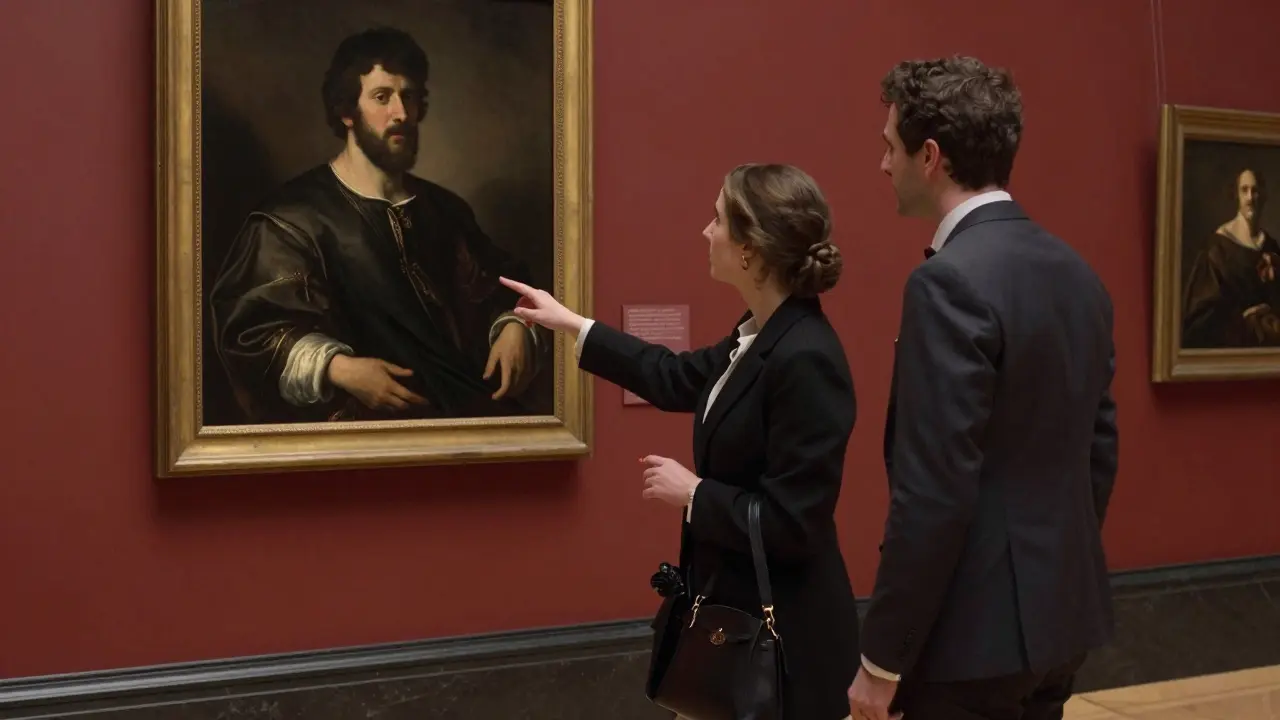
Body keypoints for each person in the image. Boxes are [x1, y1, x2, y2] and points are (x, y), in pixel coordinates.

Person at [502, 163, 861, 719]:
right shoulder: (762, 334)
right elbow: (673, 376)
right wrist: (573, 325)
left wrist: (694, 494)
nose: (705, 231)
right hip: (734, 627)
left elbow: (794, 523)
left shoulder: (806, 355)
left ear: (749, 249)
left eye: (717, 219)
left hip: (788, 648)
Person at [847, 56, 1120, 720]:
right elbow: (1099, 452)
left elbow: (934, 491)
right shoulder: (1078, 273)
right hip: (1060, 622)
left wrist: (880, 660)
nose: (883, 164)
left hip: (970, 644)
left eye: (890, 147)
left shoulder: (947, 282)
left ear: (930, 156)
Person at [209, 26, 543, 424]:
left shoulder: (445, 211)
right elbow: (250, 333)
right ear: (346, 110)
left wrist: (515, 324)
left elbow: (501, 289)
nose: (400, 113)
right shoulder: (291, 220)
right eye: (382, 97)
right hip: (363, 435)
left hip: (468, 423)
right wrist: (340, 369)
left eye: (410, 96)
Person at [1181, 167, 1280, 347]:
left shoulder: (1271, 246)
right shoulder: (1216, 248)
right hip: (1233, 347)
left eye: (1255, 191)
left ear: (1264, 195)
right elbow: (1200, 320)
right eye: (1244, 190)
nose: (1250, 198)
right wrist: (1246, 319)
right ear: (1236, 196)